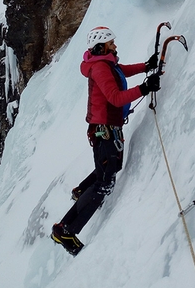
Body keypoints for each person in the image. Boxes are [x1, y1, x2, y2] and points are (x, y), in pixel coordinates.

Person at [51, 26, 160, 255]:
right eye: (111, 43)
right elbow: (116, 98)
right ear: (101, 46)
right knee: (105, 183)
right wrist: (144, 88)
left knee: (110, 168)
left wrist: (146, 67)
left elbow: (122, 71)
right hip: (106, 130)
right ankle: (67, 231)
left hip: (105, 129)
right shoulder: (100, 68)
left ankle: (81, 194)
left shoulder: (104, 63)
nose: (115, 45)